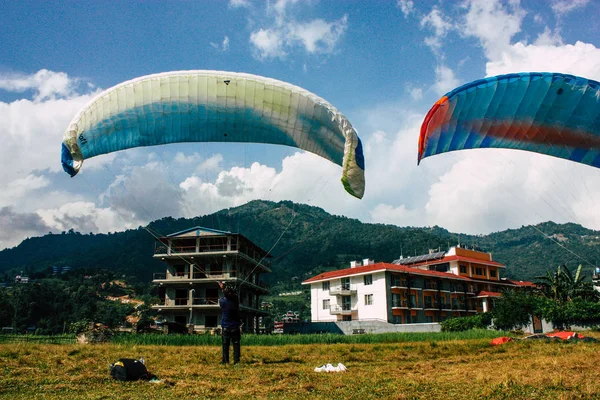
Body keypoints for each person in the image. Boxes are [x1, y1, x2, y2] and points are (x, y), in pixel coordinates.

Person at [218, 281, 242, 364]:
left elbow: (225, 294)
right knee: (236, 344)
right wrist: (228, 289)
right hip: (235, 326)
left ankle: (225, 361)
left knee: (225, 345)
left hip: (226, 326)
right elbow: (233, 295)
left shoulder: (222, 301)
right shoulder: (236, 301)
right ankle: (236, 361)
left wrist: (222, 287)